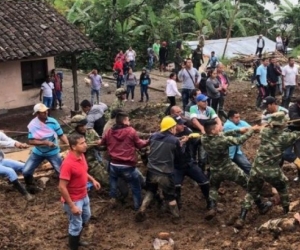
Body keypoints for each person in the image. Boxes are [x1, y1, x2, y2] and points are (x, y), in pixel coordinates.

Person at [237, 112, 300, 228]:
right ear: (283, 124)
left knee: (252, 192)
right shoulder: (286, 137)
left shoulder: (264, 132)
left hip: (256, 168)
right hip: (272, 170)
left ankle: (241, 217)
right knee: (283, 187)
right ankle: (286, 212)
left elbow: (264, 128)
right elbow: (296, 135)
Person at [201, 119, 259, 221]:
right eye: (217, 127)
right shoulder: (222, 140)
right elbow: (239, 141)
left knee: (214, 187)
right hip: (228, 168)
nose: (220, 127)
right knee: (248, 183)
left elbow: (223, 133)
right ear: (213, 131)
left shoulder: (204, 138)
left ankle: (212, 207)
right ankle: (261, 204)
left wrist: (239, 130)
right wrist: (251, 131)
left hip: (214, 170)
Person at [135, 116, 187, 222]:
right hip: (165, 173)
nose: (175, 129)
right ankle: (176, 217)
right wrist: (182, 144)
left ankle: (142, 209)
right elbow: (179, 156)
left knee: (151, 191)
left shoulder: (154, 136)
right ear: (170, 128)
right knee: (170, 195)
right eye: (174, 127)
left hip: (151, 170)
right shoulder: (174, 141)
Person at [59, 133, 101, 250]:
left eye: (85, 142)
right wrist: (72, 206)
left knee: (86, 216)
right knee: (76, 224)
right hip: (74, 199)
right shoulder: (67, 164)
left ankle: (76, 237)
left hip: (84, 195)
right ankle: (73, 246)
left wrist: (92, 180)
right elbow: (62, 187)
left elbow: (83, 172)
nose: (85, 145)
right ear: (73, 147)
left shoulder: (81, 156)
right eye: (81, 143)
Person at [100, 111, 148, 211]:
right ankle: (137, 207)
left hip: (113, 164)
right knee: (135, 187)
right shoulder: (130, 131)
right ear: (125, 120)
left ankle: (113, 197)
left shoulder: (109, 131)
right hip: (127, 165)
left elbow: (102, 143)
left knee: (113, 181)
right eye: (128, 119)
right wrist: (149, 140)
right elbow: (140, 144)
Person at [23, 103, 69, 193]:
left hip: (53, 152)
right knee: (26, 171)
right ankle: (31, 186)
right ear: (37, 114)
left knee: (62, 173)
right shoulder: (33, 124)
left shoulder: (53, 122)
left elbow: (61, 135)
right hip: (38, 152)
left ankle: (66, 189)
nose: (46, 113)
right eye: (43, 112)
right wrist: (45, 142)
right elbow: (31, 141)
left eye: (46, 111)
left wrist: (68, 144)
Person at [172, 115, 210, 209]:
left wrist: (198, 138)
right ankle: (178, 205)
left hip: (189, 163)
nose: (183, 126)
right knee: (175, 186)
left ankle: (210, 203)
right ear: (174, 126)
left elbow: (197, 141)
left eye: (183, 124)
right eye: (180, 124)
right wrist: (181, 141)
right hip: (176, 166)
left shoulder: (187, 131)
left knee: (204, 182)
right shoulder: (169, 136)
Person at [69, 115, 108, 187]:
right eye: (81, 126)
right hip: (80, 162)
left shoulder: (90, 131)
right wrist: (92, 144)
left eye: (84, 125)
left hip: (93, 160)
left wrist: (102, 144)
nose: (84, 127)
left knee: (106, 177)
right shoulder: (72, 136)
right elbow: (76, 151)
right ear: (76, 126)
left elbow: (99, 148)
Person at [0, 132, 34, 201]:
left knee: (25, 167)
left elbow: (8, 139)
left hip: (1, 160)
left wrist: (20, 144)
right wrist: (15, 144)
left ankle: (31, 186)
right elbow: (1, 143)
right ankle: (25, 194)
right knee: (10, 171)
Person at [223, 110, 252, 175]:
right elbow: (242, 131)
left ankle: (250, 180)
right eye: (236, 117)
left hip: (236, 151)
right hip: (226, 152)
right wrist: (251, 129)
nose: (238, 119)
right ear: (230, 118)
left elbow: (251, 128)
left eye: (239, 117)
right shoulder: (227, 125)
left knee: (248, 166)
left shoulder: (240, 122)